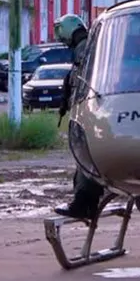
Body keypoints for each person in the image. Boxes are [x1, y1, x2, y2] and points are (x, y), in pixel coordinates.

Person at [52, 13, 106, 220]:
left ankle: (84, 203)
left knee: (86, 158)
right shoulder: (86, 47)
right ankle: (84, 202)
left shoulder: (85, 49)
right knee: (84, 159)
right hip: (88, 111)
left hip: (90, 113)